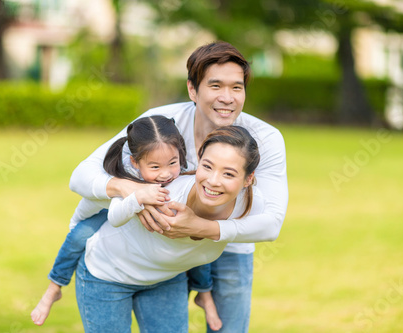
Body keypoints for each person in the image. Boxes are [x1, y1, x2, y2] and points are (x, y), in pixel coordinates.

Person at [70, 41, 288, 332]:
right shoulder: (160, 125)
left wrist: (198, 227)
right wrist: (130, 190)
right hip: (160, 249)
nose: (227, 98)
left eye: (237, 87)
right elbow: (81, 176)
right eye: (215, 86)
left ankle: (206, 291)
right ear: (192, 90)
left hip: (231, 242)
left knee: (230, 328)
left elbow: (271, 224)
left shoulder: (264, 138)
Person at [31, 115, 226, 326]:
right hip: (102, 212)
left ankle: (204, 294)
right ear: (136, 162)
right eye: (154, 168)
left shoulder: (184, 171)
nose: (166, 174)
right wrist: (136, 198)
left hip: (165, 269)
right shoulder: (125, 172)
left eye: (172, 163)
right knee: (80, 235)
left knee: (197, 241)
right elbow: (96, 206)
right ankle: (54, 287)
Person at [76, 125, 264, 332]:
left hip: (167, 279)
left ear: (248, 178)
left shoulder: (251, 206)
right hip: (109, 273)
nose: (213, 181)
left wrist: (200, 226)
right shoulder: (167, 195)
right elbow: (108, 208)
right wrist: (134, 197)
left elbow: (270, 230)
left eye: (228, 174)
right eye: (207, 167)